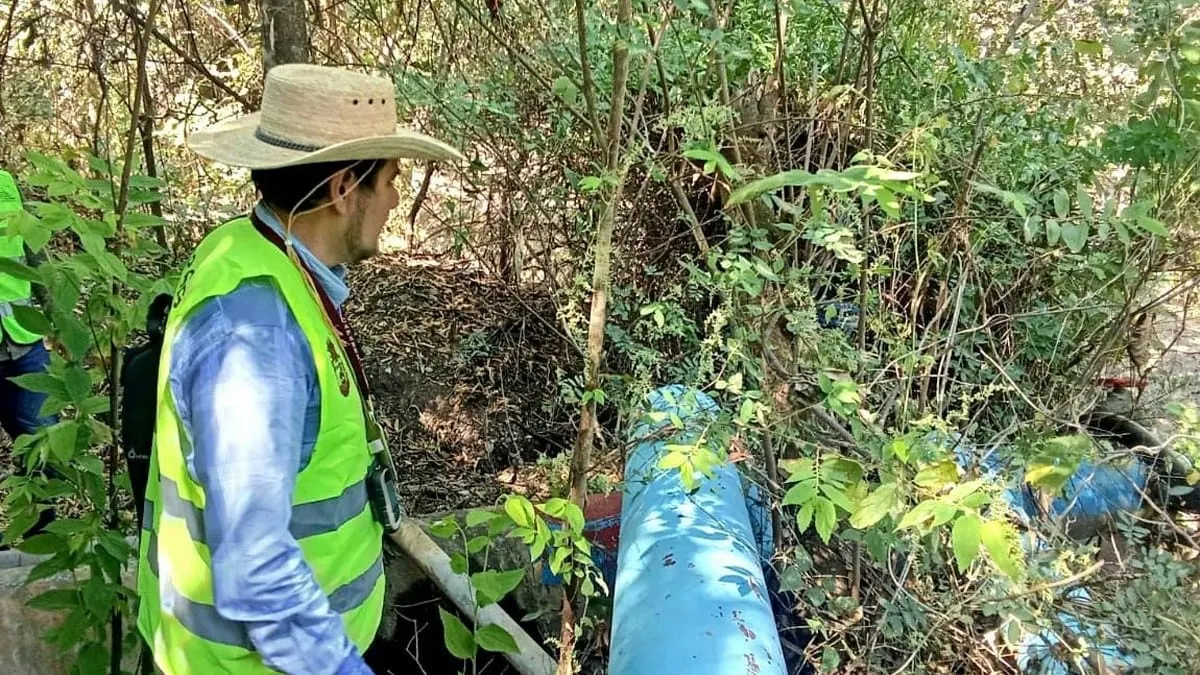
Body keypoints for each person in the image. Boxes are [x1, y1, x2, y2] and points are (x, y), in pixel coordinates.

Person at [134, 64, 462, 674]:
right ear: (343, 189)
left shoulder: (249, 250)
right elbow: (254, 567)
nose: (394, 200)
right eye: (390, 180)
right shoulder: (256, 335)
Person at [0, 168, 58, 539]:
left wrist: (57, 318)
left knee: (44, 447)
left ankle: (39, 537)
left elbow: (35, 253)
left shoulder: (6, 182)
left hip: (23, 343)